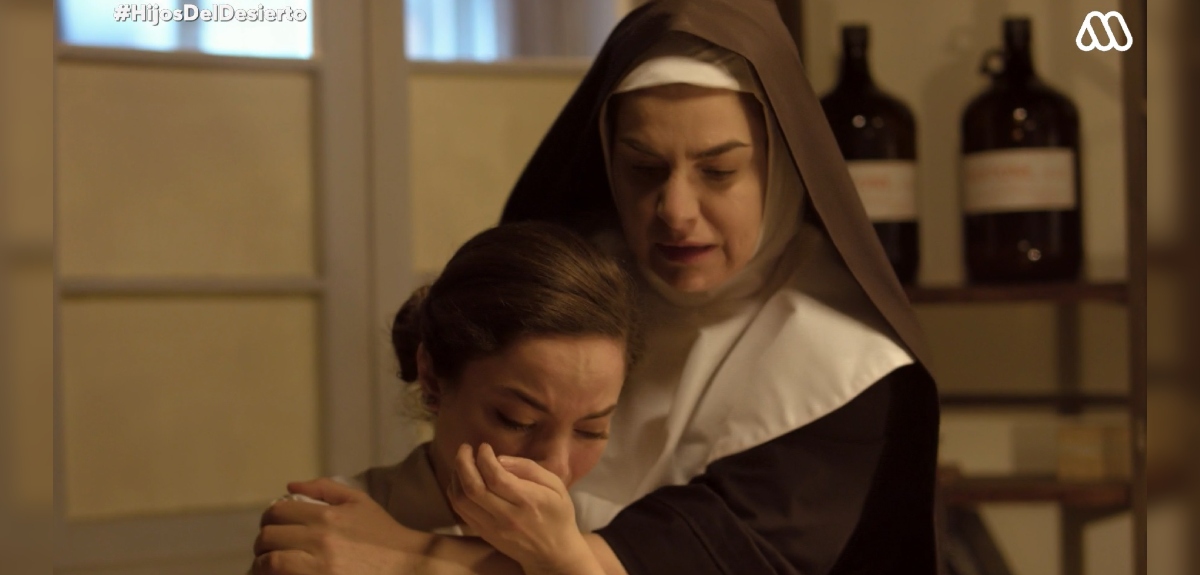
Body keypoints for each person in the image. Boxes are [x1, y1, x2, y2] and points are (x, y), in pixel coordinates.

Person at [255, 1, 941, 573]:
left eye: (719, 171)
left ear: (784, 166)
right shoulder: (576, 283)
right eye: (643, 167)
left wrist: (404, 559)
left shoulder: (852, 368)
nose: (675, 211)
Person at [253, 222, 641, 575]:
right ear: (432, 378)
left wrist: (565, 562)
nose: (556, 467)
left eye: (591, 430)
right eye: (517, 420)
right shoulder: (325, 528)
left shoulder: (616, 535)